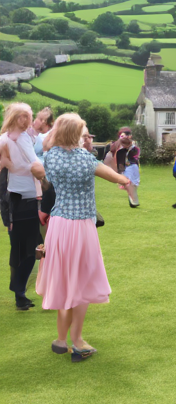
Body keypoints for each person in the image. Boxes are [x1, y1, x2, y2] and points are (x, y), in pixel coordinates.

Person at [36, 113, 131, 363]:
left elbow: (43, 155)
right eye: (84, 132)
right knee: (80, 283)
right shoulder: (85, 160)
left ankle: (60, 339)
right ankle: (77, 342)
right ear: (75, 134)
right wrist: (125, 180)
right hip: (80, 227)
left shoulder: (51, 156)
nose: (87, 136)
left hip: (58, 226)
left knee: (64, 281)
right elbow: (114, 176)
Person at [0, 103, 45, 311]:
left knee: (32, 248)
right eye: (22, 117)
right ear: (13, 117)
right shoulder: (5, 140)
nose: (27, 120)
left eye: (28, 116)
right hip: (17, 200)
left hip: (32, 198)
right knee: (23, 249)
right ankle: (19, 293)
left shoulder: (26, 137)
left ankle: (20, 291)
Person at [104, 127, 140, 208]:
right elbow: (112, 150)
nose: (126, 137)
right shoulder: (117, 144)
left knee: (135, 183)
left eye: (128, 135)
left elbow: (136, 153)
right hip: (124, 166)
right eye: (123, 135)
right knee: (128, 182)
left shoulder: (133, 144)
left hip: (133, 165)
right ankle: (132, 200)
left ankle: (132, 196)